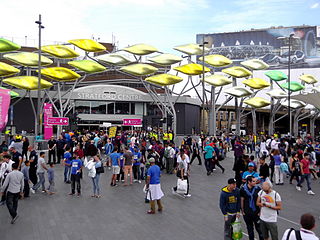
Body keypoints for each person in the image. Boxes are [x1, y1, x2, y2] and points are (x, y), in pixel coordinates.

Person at [241, 176, 264, 240]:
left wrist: (260, 211)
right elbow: (242, 199)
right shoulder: (243, 189)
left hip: (256, 212)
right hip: (247, 212)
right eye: (253, 181)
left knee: (259, 229)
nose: (255, 182)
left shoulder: (257, 189)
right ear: (249, 182)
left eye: (255, 181)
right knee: (250, 229)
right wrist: (242, 210)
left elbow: (260, 200)